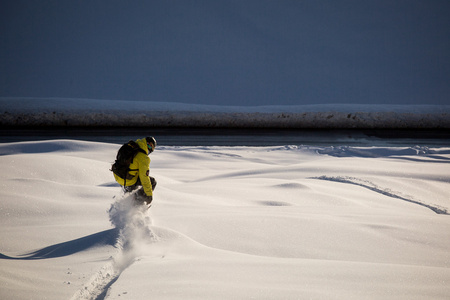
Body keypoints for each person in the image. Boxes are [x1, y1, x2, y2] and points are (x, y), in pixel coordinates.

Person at [113, 136, 157, 204]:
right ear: (147, 144)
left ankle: (128, 201)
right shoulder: (143, 157)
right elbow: (144, 177)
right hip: (128, 180)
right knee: (152, 182)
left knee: (133, 180)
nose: (151, 148)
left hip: (119, 176)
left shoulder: (131, 147)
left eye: (152, 147)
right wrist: (149, 195)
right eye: (150, 146)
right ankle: (137, 203)